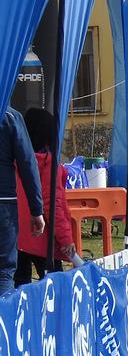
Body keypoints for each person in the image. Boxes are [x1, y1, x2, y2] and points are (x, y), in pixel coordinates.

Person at [16, 107, 75, 284]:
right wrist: (66, 240)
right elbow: (52, 206)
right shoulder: (48, 164)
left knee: (17, 290)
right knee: (57, 288)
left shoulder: (12, 161)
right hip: (41, 239)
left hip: (14, 238)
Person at [0, 107, 45, 295]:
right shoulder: (9, 115)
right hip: (3, 201)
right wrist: (37, 209)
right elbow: (27, 162)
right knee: (4, 269)